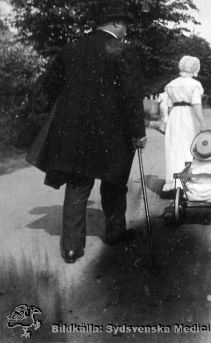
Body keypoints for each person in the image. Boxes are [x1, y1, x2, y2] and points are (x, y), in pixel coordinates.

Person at [27, 8, 147, 263]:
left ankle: (71, 248)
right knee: (114, 182)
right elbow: (131, 97)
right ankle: (115, 233)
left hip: (75, 132)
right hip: (114, 132)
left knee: (78, 184)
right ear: (116, 21)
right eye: (125, 25)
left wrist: (43, 115)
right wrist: (138, 132)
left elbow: (49, 84)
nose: (126, 31)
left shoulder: (71, 48)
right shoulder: (123, 51)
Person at [162, 56, 206, 195]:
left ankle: (174, 183)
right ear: (194, 69)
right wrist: (202, 121)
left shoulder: (171, 84)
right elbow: (196, 104)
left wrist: (169, 122)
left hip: (175, 116)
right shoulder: (195, 85)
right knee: (188, 148)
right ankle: (184, 182)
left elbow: (169, 106)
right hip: (189, 116)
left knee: (174, 148)